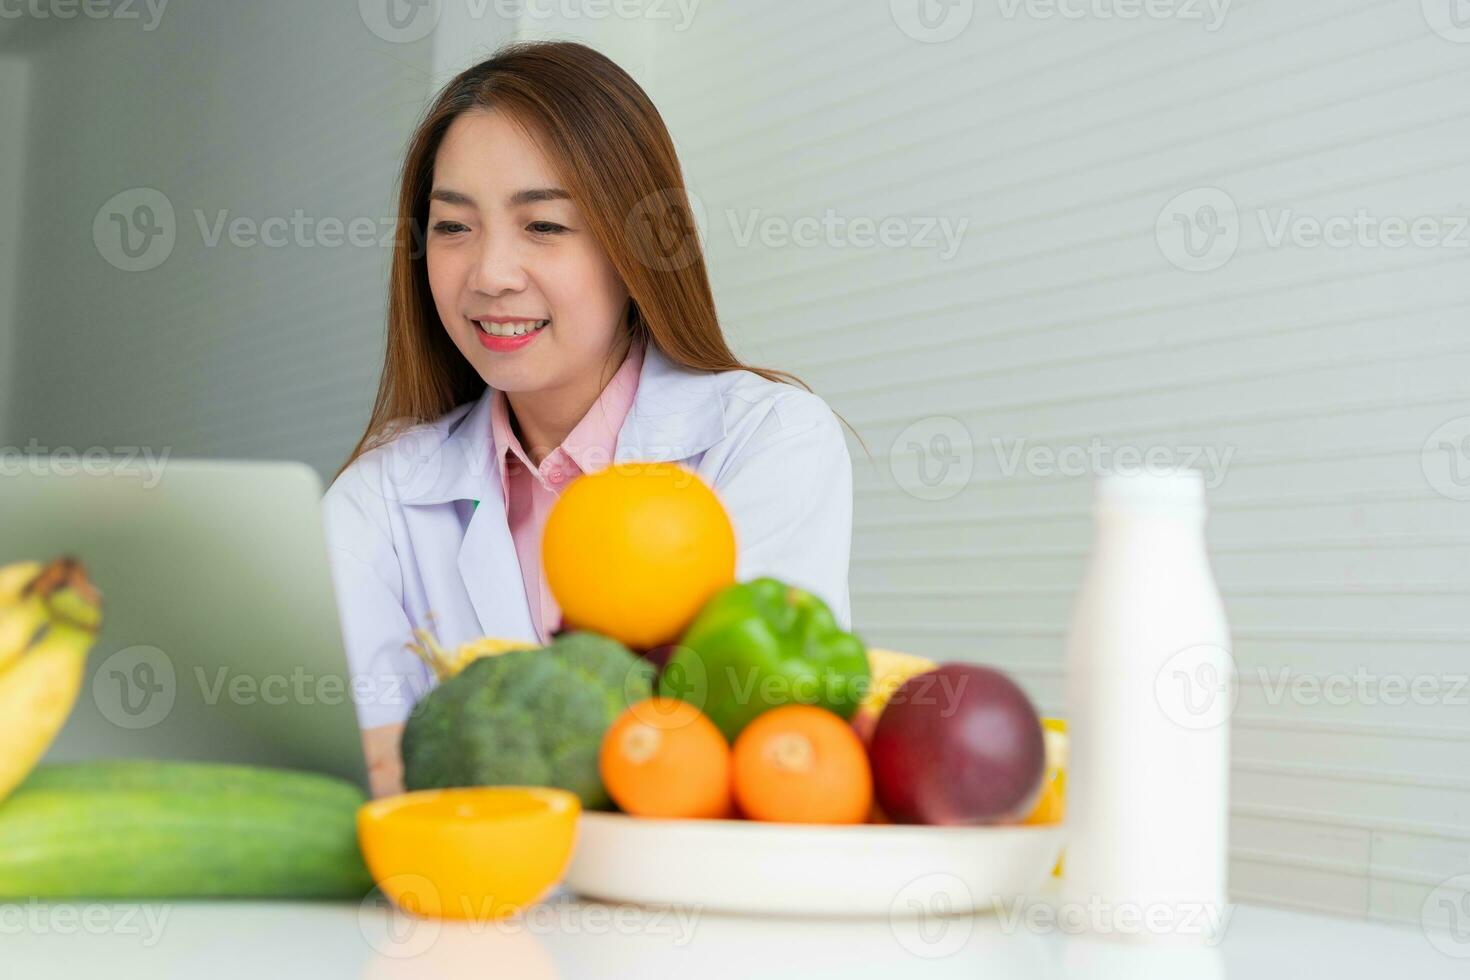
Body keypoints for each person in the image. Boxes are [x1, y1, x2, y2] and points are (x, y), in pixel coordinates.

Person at [323, 41, 855, 798]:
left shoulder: (767, 441)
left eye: (543, 226)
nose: (491, 275)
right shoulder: (378, 498)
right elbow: (355, 772)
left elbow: (755, 756)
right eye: (452, 227)